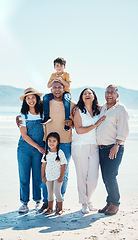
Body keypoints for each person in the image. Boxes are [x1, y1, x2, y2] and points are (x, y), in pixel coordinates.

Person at [72, 88, 106, 214]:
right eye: (84, 93)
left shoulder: (99, 110)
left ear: (94, 96)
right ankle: (84, 203)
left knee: (93, 177)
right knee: (82, 176)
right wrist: (96, 124)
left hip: (94, 146)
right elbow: (79, 130)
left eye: (89, 93)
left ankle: (89, 199)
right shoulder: (78, 111)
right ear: (81, 97)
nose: (87, 95)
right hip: (80, 146)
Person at [97, 84, 129, 215]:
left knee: (110, 176)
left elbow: (124, 129)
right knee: (105, 177)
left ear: (117, 95)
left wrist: (117, 144)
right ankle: (109, 201)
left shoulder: (121, 109)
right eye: (107, 92)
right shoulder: (103, 108)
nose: (109, 94)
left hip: (114, 147)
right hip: (101, 148)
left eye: (112, 92)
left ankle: (115, 203)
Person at [17, 87, 46, 213]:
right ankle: (24, 203)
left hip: (39, 150)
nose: (31, 100)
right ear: (25, 101)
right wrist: (39, 147)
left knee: (38, 176)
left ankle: (38, 200)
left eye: (33, 97)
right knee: (24, 176)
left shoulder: (43, 114)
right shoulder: (21, 116)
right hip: (24, 149)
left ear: (37, 99)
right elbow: (25, 136)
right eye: (28, 98)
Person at [41, 57, 71, 131]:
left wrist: (61, 80)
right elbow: (48, 86)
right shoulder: (53, 75)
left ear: (64, 67)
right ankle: (47, 117)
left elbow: (68, 85)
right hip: (55, 93)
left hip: (65, 92)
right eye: (57, 65)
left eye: (61, 65)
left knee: (66, 101)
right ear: (54, 67)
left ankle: (66, 120)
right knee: (45, 97)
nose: (59, 67)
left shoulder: (66, 74)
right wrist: (53, 80)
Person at [41, 132, 67, 215]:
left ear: (57, 142)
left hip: (57, 177)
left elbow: (63, 165)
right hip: (49, 177)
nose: (51, 143)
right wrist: (43, 176)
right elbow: (43, 166)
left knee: (57, 192)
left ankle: (60, 209)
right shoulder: (46, 153)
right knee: (49, 193)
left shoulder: (60, 153)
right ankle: (50, 208)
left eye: (54, 141)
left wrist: (61, 177)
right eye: (50, 141)